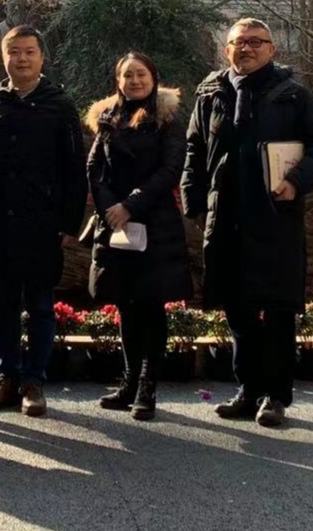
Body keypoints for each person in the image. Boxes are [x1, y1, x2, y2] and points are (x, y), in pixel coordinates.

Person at [182, 18, 313, 429]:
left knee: (278, 309)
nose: (247, 48)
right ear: (226, 50)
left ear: (272, 49)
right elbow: (194, 149)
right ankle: (249, 389)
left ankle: (276, 395)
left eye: (256, 42)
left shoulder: (293, 95)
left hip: (274, 217)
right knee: (237, 308)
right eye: (239, 42)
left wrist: (296, 181)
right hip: (226, 216)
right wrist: (194, 203)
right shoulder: (211, 94)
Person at [0, 24, 87, 418]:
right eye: (14, 52)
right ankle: (7, 377)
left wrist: (70, 222)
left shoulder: (60, 105)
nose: (21, 59)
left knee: (40, 305)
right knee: (2, 304)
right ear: (3, 57)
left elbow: (74, 169)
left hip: (42, 222)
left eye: (29, 52)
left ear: (41, 57)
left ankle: (34, 381)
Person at [85, 52, 191, 422]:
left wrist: (131, 205)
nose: (135, 81)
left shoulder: (167, 118)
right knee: (126, 304)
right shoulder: (108, 117)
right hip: (115, 225)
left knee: (150, 304)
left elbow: (171, 169)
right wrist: (109, 208)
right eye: (127, 75)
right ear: (118, 81)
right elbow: (94, 167)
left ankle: (148, 386)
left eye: (141, 74)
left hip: (154, 222)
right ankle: (128, 381)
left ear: (153, 77)